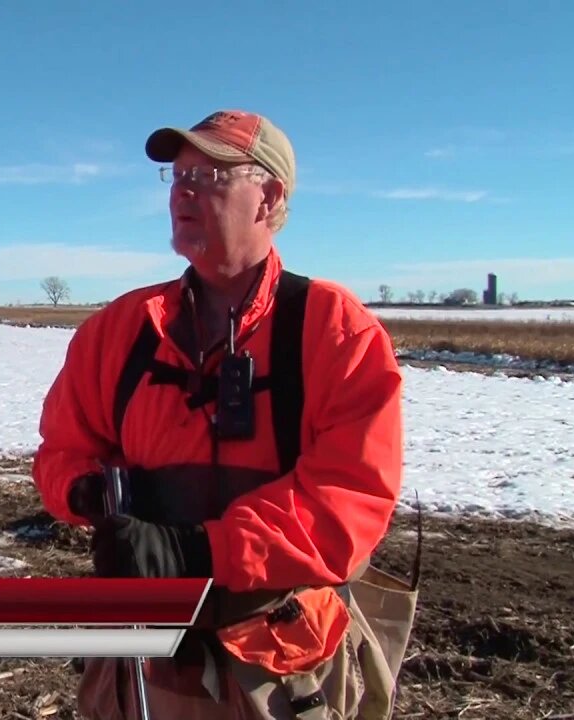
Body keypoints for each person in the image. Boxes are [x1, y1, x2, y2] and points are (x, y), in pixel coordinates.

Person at [31, 110, 418, 719]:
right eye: (178, 174)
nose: (183, 189)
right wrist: (85, 495)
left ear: (269, 197)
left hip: (275, 668)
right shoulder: (121, 330)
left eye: (209, 173)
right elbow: (61, 448)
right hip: (143, 661)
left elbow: (347, 502)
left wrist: (196, 553)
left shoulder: (335, 331)